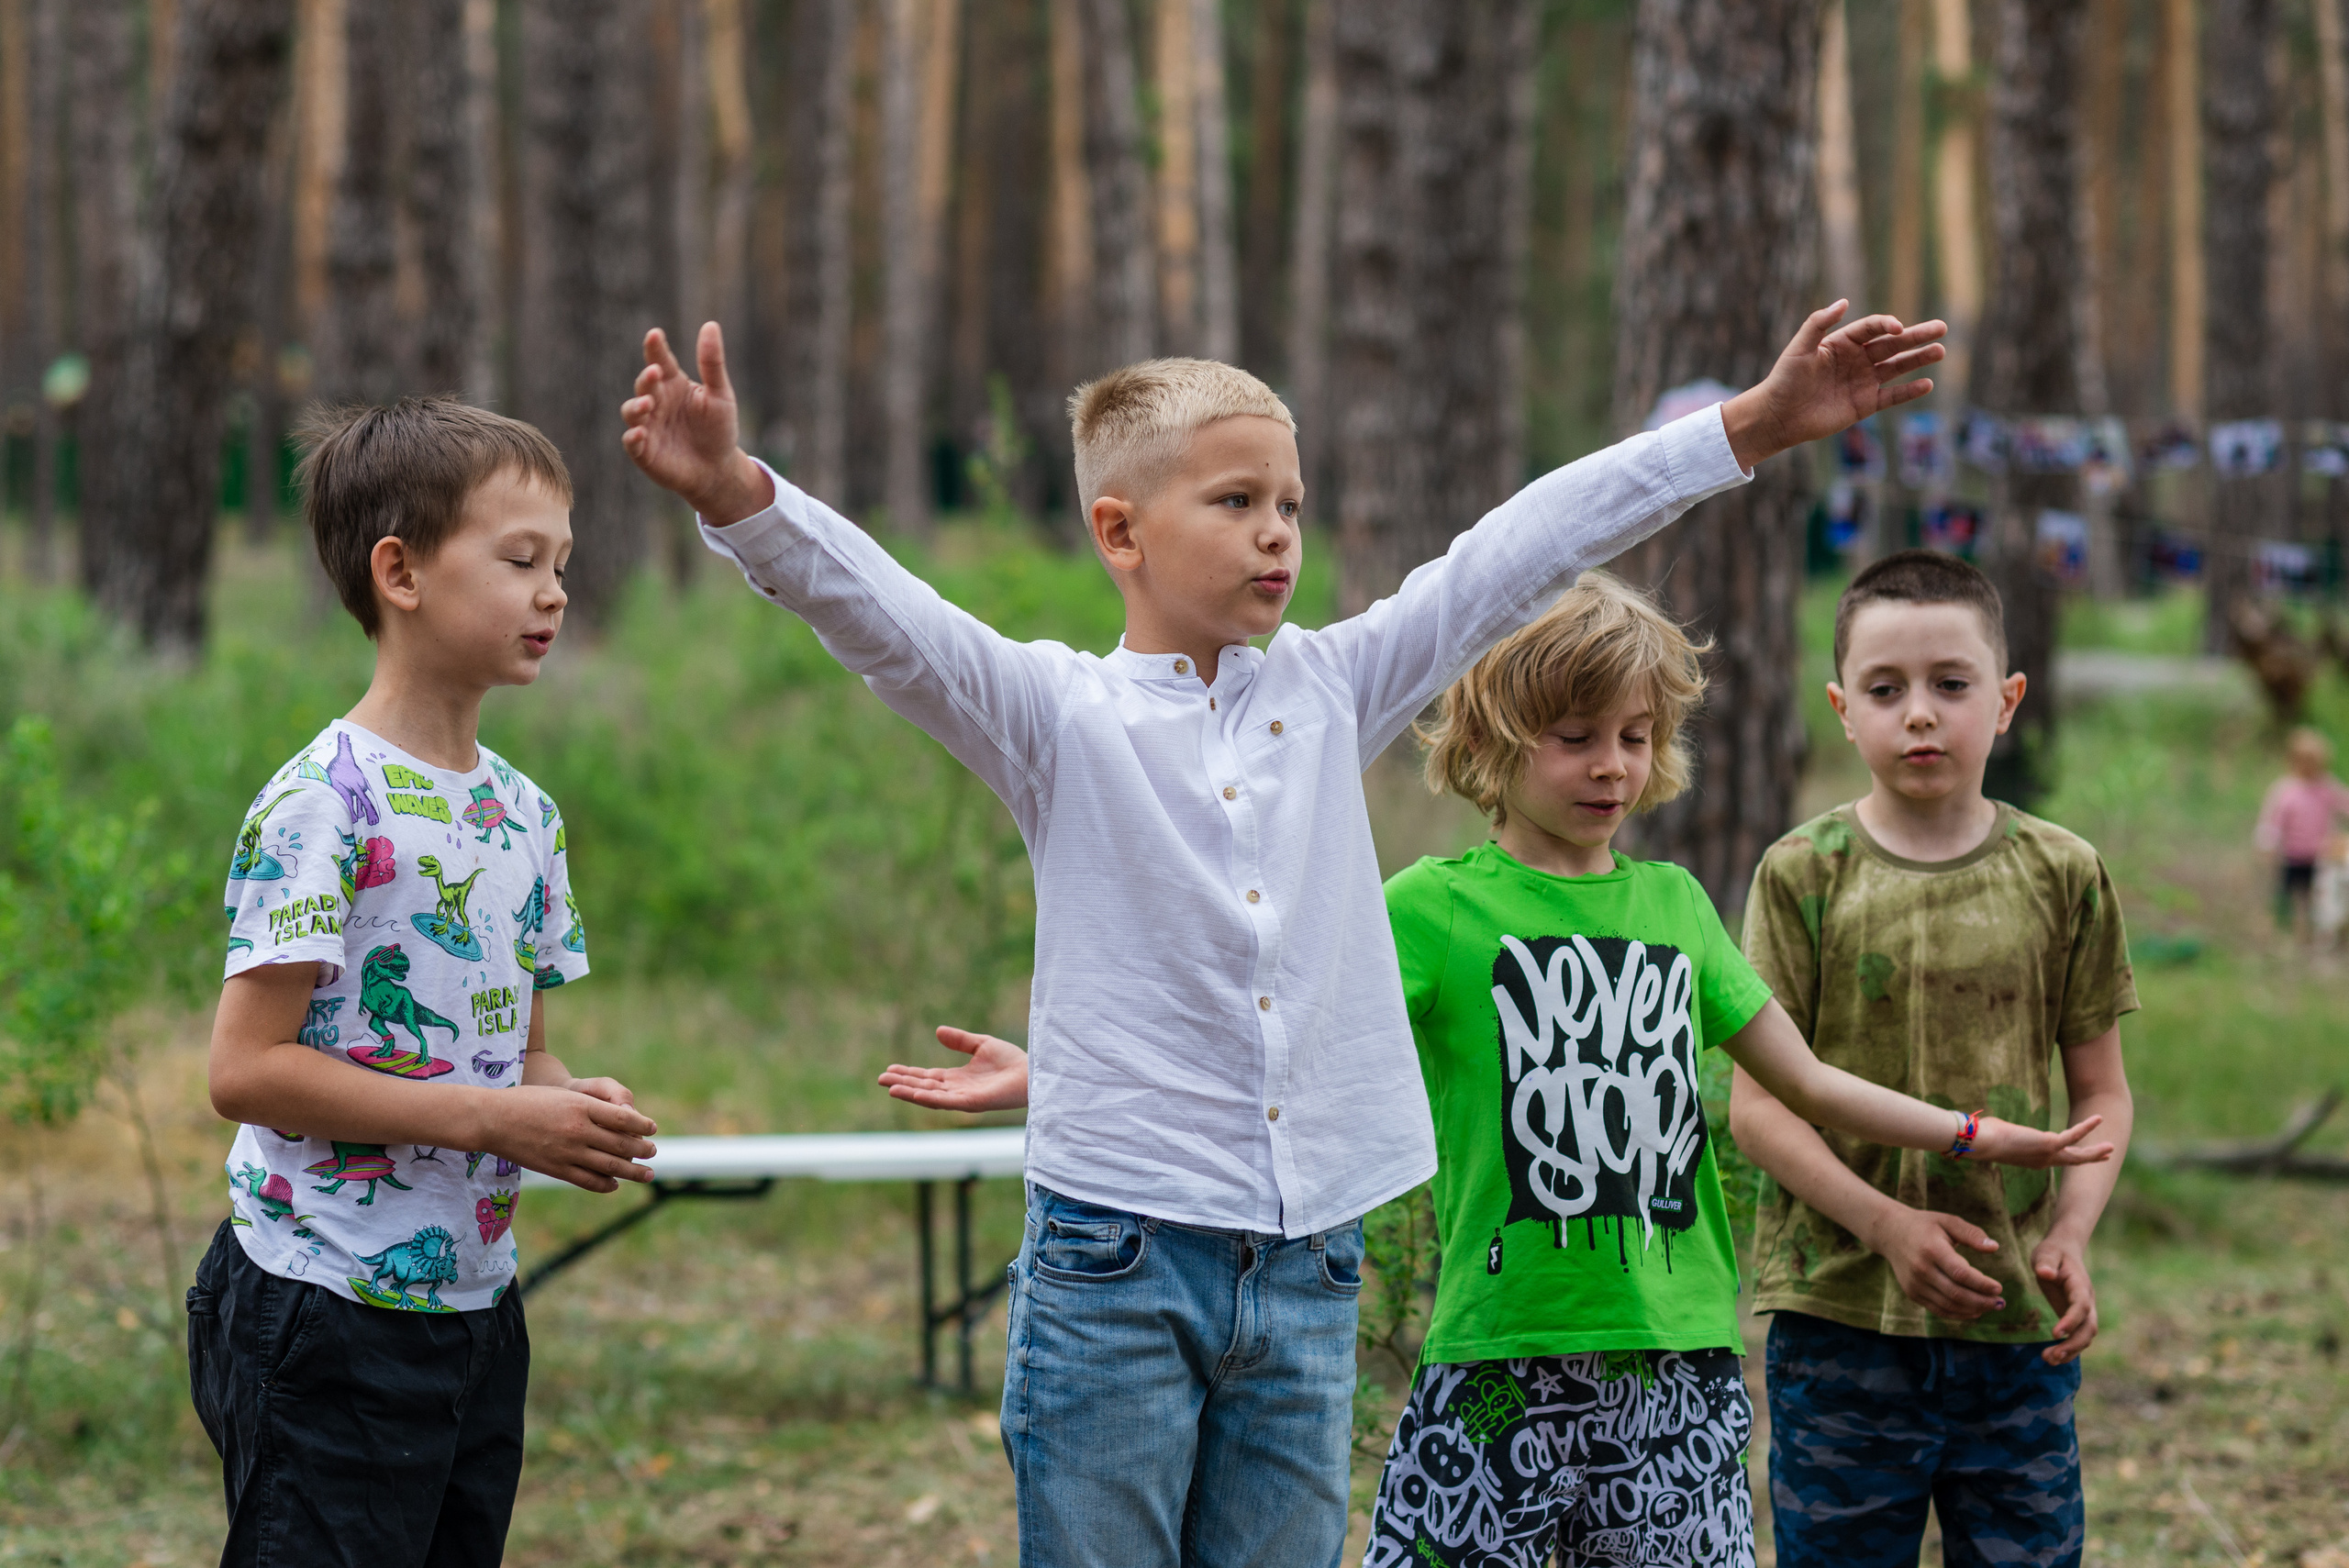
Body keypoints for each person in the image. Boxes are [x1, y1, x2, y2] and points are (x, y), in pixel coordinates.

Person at [622, 304, 1945, 1568]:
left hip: (1308, 1263)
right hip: (1117, 1263)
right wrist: (740, 492)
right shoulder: (1058, 717)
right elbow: (889, 623)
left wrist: (1752, 426)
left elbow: (1520, 546)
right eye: (1237, 502)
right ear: (1119, 531)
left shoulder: (1330, 688)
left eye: (1291, 507)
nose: (1277, 537)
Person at [1353, 573, 2110, 1568]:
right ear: (1493, 738)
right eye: (1574, 737)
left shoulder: (1674, 904)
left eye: (1631, 736)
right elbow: (1322, 1056)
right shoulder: (1428, 909)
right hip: (1498, 1347)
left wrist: (1967, 1130)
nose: (1610, 767)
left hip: (1679, 1357)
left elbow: (1808, 1079)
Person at [195, 398, 661, 1568]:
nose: (554, 591)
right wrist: (497, 1116)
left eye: (562, 562)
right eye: (519, 560)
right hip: (321, 1303)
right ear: (397, 571)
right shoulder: (323, 804)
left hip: (473, 1304)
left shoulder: (524, 811)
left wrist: (568, 1108)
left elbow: (524, 1049)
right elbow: (246, 1069)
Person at [1731, 549, 2139, 1568]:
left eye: (1949, 684)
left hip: (2013, 1326)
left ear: (2005, 700)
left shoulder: (2064, 873)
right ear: (1840, 707)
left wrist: (2072, 1235)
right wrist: (1885, 1222)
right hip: (1838, 1316)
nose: (1919, 712)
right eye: (1885, 688)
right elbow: (1759, 1107)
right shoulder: (1800, 875)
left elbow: (2102, 1094)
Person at [2255, 726, 2349, 940]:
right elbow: (2273, 821)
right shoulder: (2285, 791)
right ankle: (2282, 924)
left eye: (2318, 764)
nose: (2314, 769)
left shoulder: (2326, 787)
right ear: (2295, 761)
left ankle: (2316, 928)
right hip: (2293, 854)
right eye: (2308, 763)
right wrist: (2267, 843)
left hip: (2319, 854)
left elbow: (2345, 803)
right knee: (2287, 891)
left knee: (2318, 894)